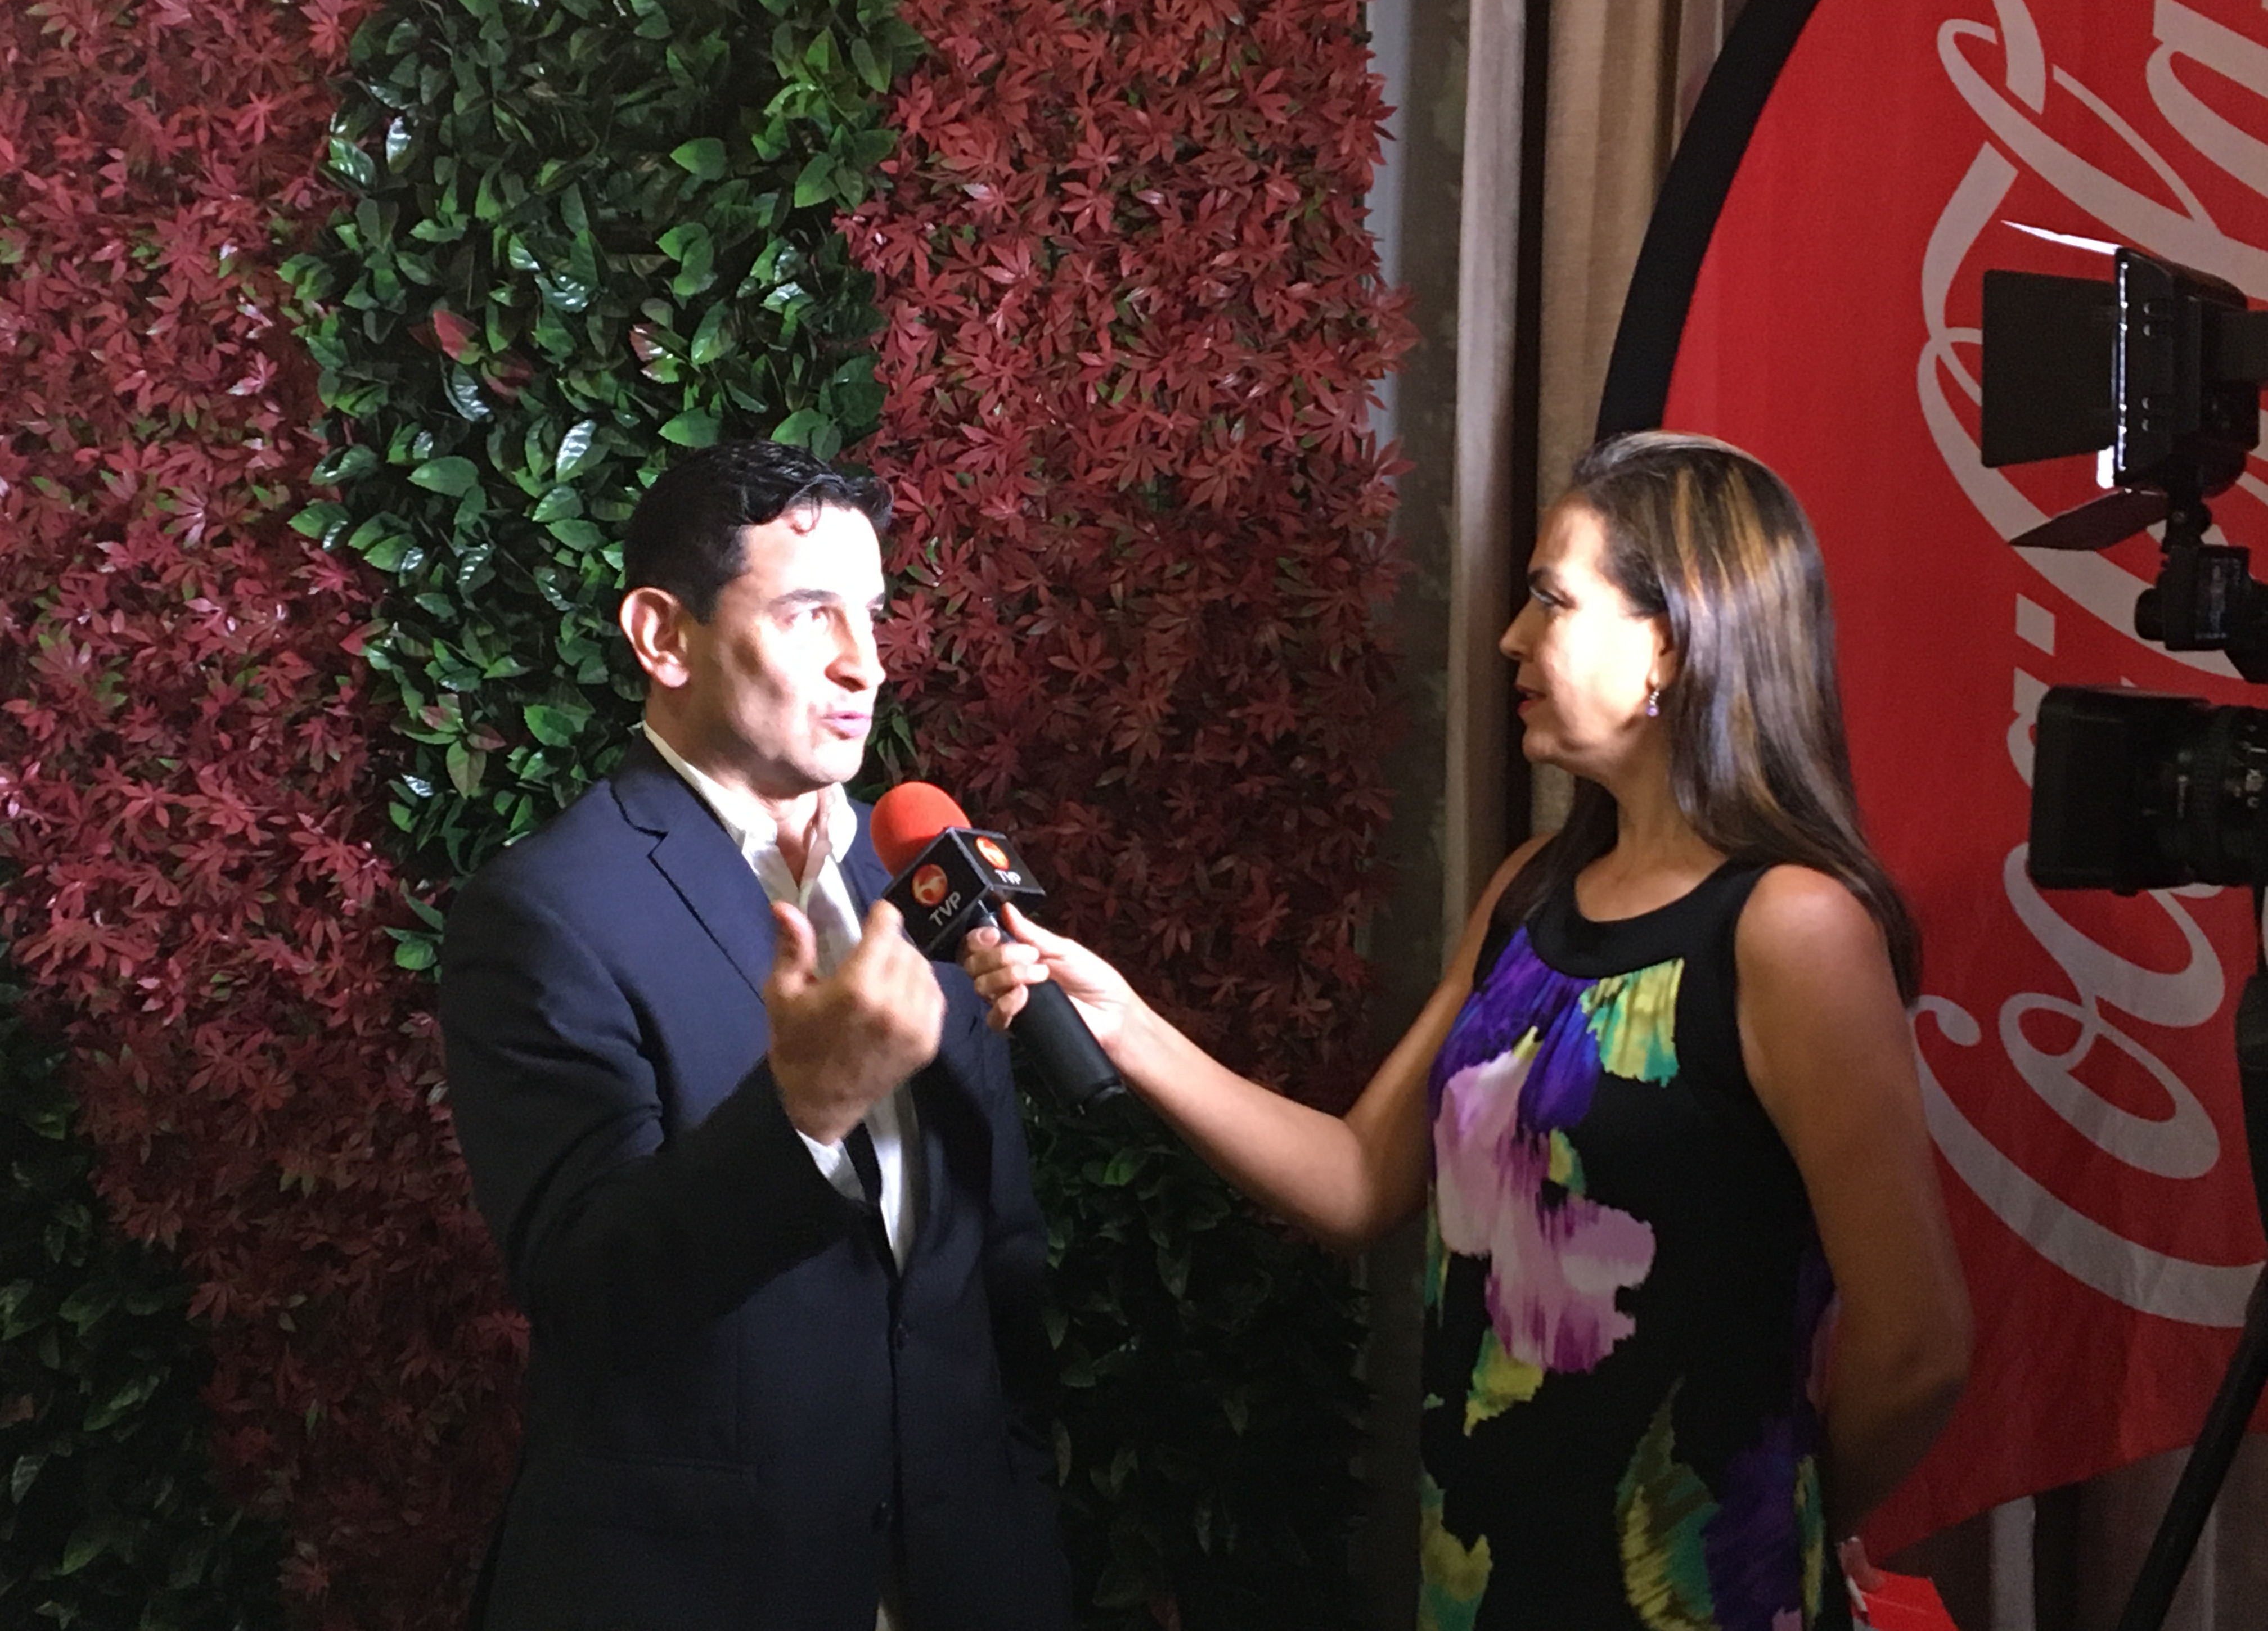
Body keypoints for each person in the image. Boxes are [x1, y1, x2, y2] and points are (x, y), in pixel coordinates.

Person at [964, 432, 1970, 1629]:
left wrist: (1773, 1526)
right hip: (1478, 1588)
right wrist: (1123, 1025)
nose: (1511, 637)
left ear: (1672, 640)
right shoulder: (1531, 894)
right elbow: (1356, 1181)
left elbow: (1919, 1347)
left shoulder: (1794, 930)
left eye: (1553, 600)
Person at [440, 441, 1070, 1631]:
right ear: (662, 637)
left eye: (872, 613)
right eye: (808, 612)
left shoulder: (925, 875)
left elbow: (1000, 1263)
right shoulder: (548, 913)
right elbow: (589, 1294)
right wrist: (804, 1113)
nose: (864, 661)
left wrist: (1019, 1504)